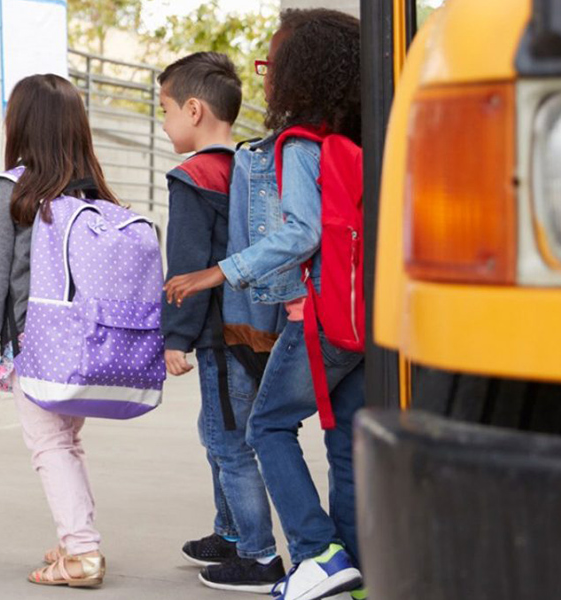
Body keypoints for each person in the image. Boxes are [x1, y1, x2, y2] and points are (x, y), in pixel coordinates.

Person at [165, 9, 366, 600]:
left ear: (301, 73)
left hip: (324, 317)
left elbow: (301, 233)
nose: (267, 77)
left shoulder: (299, 146)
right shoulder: (354, 141)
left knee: (268, 425)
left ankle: (315, 552)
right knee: (344, 439)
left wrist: (216, 274)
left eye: (272, 65)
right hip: (365, 318)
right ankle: (354, 565)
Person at [0, 74, 126, 588]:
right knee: (66, 442)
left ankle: (81, 553)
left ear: (21, 125)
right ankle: (77, 536)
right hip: (88, 344)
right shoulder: (94, 194)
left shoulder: (10, 191)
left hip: (38, 344)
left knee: (48, 445)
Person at [157, 52, 285, 593]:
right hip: (257, 326)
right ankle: (228, 532)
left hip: (218, 333)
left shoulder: (192, 177)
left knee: (230, 442)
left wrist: (174, 338)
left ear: (192, 109)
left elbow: (184, 265)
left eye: (163, 109)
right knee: (220, 434)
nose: (162, 123)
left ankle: (257, 556)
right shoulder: (247, 169)